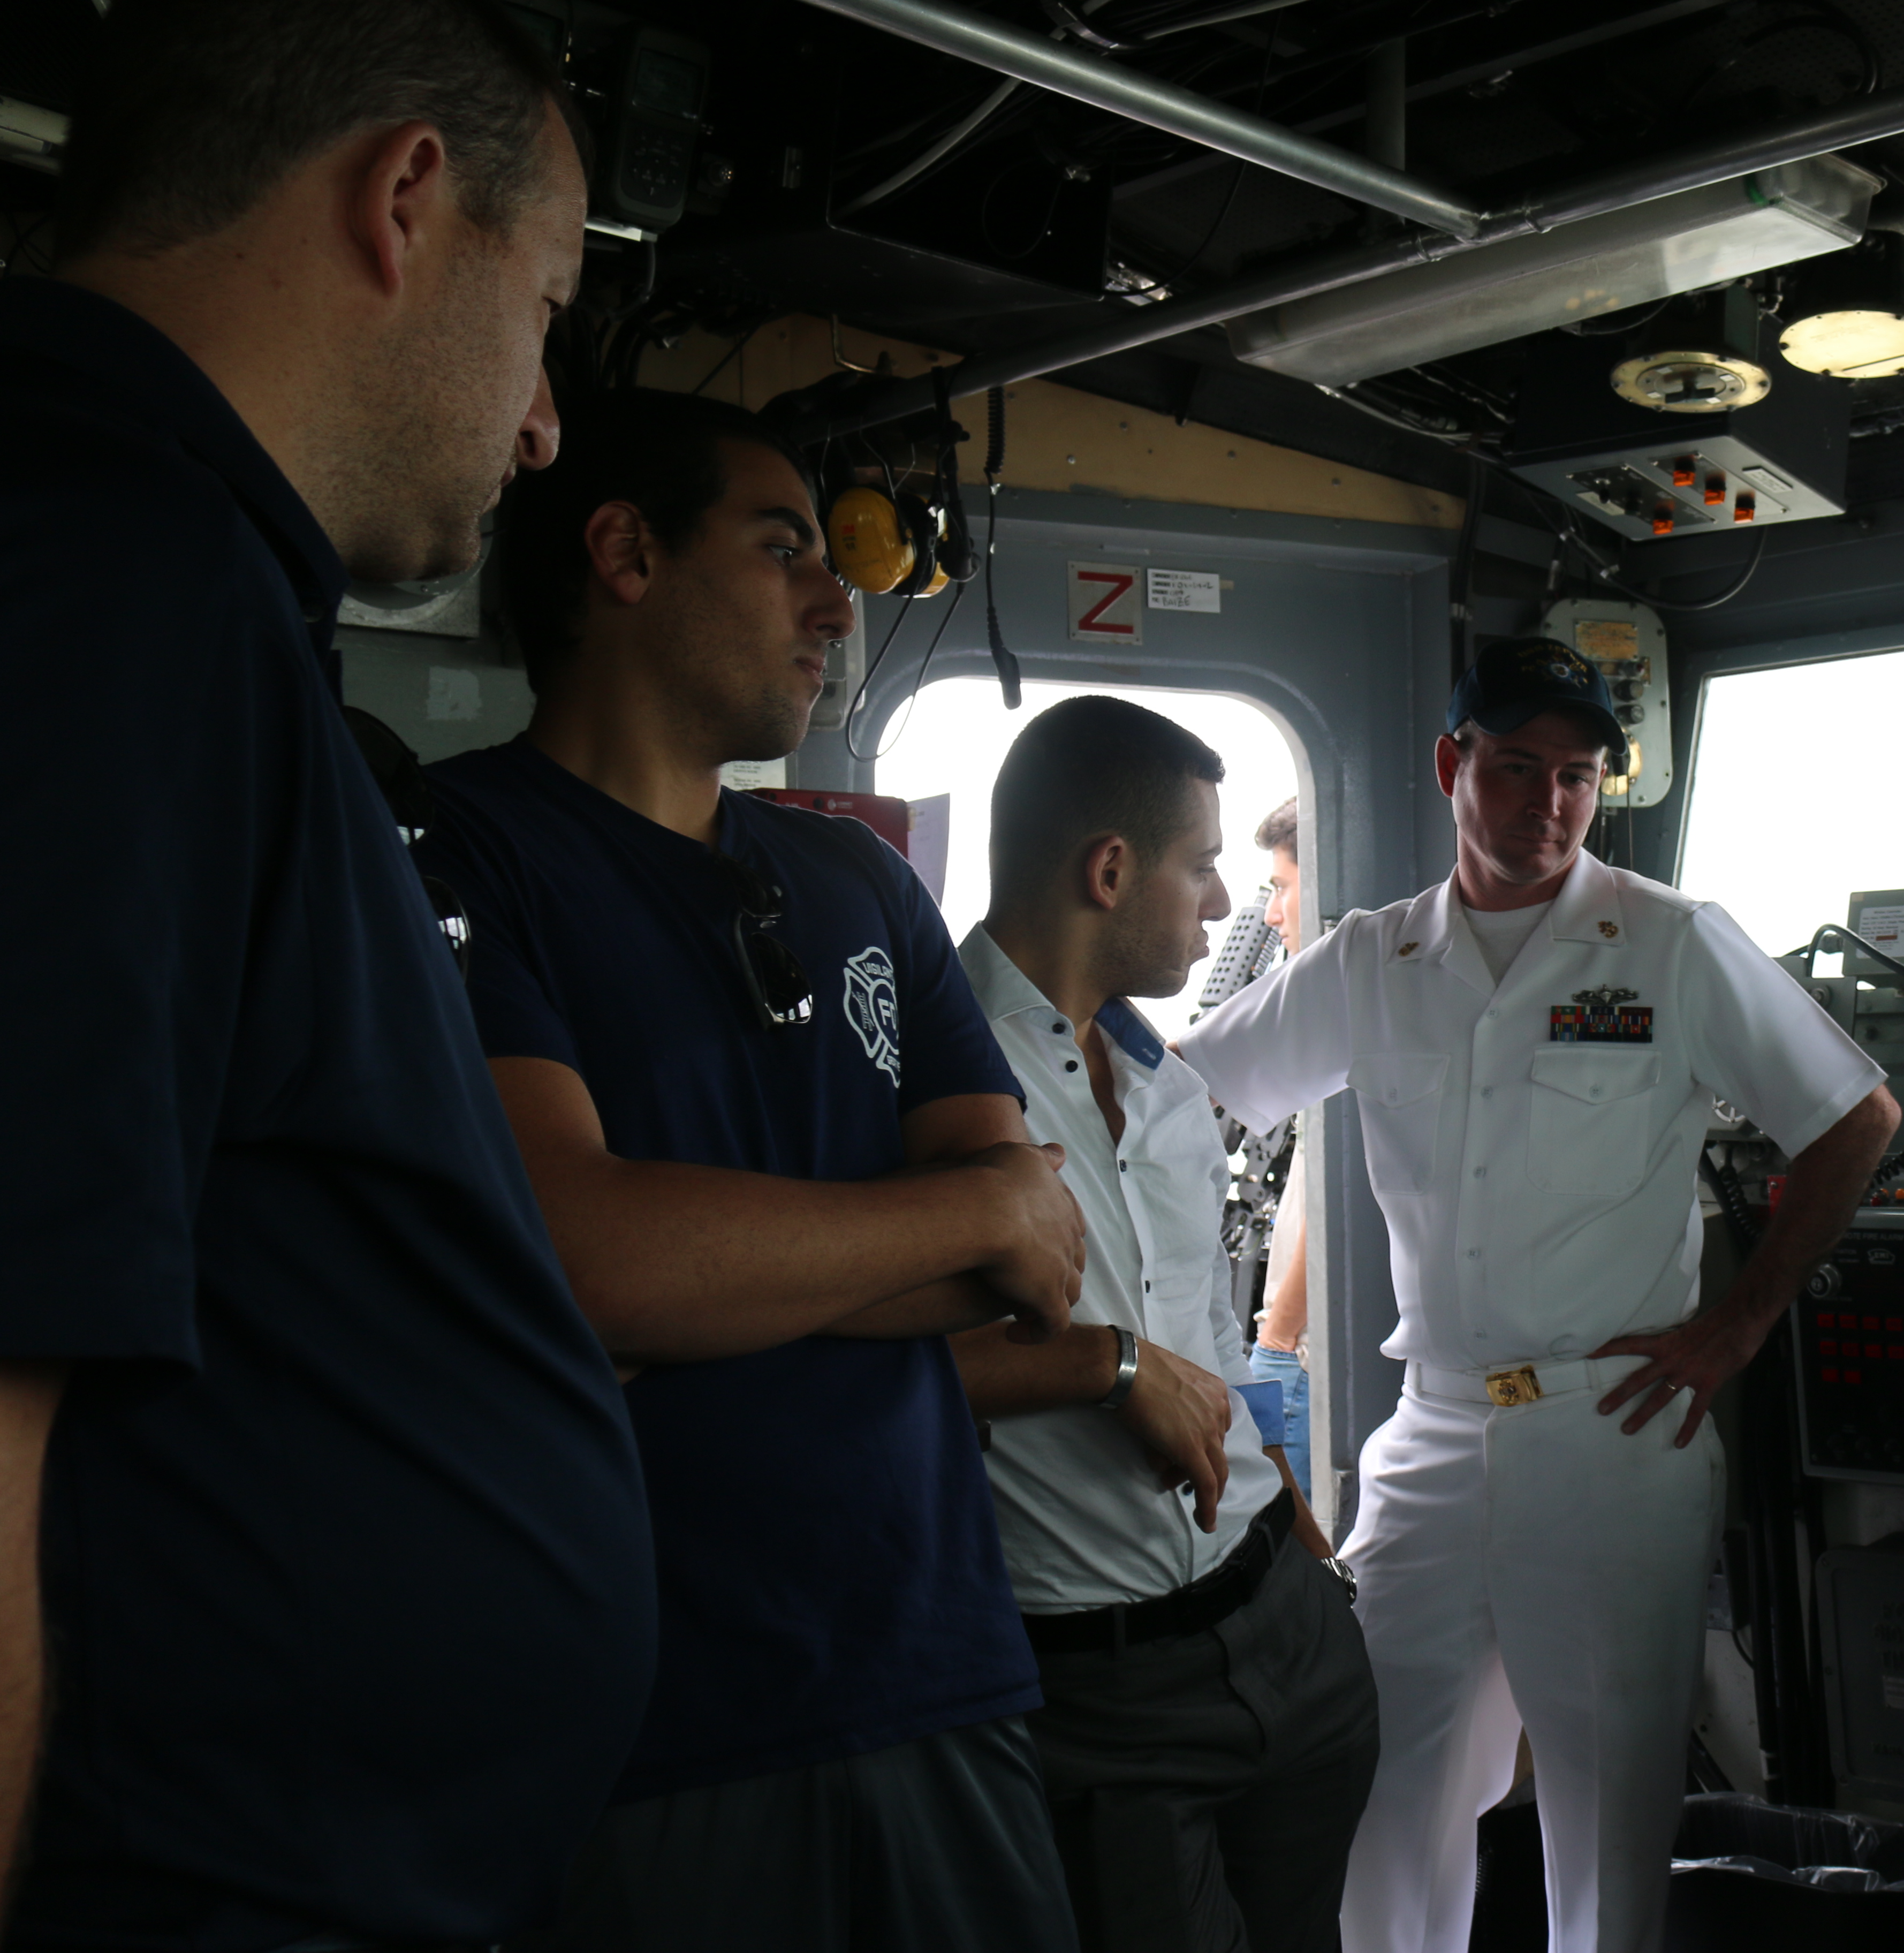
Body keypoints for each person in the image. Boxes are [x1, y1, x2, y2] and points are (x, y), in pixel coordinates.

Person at [0, 4, 661, 1946]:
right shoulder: (98, 571)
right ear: (403, 198)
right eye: (545, 311)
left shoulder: (175, 582)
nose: (544, 421)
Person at [413, 387, 1084, 1953]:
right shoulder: (456, 859)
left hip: (933, 1671)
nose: (834, 598)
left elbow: (1029, 1261)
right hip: (646, 1717)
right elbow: (583, 1264)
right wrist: (945, 1215)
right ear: (625, 553)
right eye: (782, 543)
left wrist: (694, 1279)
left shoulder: (857, 879)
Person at [1180, 639, 1899, 1953]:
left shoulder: (1674, 946)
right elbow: (1182, 1095)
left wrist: (1735, 1328)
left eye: (1577, 778)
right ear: (1454, 766)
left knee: (1609, 1827)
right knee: (1381, 1797)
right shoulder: (1372, 958)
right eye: (1517, 770)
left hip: (1614, 1430)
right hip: (1438, 1432)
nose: (1550, 805)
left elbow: (1854, 1118)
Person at [955, 701, 1379, 1952]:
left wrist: (1297, 1533)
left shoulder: (1170, 1086)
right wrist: (1104, 1370)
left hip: (1282, 1619)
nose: (1218, 905)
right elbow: (839, 1356)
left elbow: (1202, 1339)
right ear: (1110, 871)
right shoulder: (932, 1077)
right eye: (1201, 868)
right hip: (1098, 1680)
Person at [1251, 796, 1316, 1497]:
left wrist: (1278, 1340)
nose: (1273, 913)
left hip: (1304, 1356)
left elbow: (1339, 1199)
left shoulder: (1345, 1008)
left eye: (1281, 886)